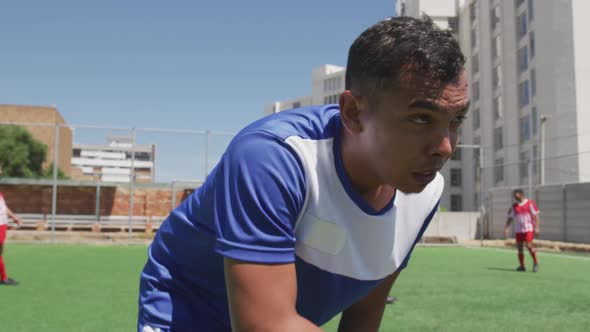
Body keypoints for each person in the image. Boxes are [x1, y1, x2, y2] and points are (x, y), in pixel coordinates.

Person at [138, 16, 468, 332]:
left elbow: (368, 300)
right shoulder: (272, 158)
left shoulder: (425, 190)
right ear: (353, 113)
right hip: (187, 311)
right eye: (422, 119)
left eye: (456, 122)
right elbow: (264, 325)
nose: (445, 147)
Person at [504, 189, 540, 272]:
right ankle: (522, 266)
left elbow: (536, 216)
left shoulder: (530, 203)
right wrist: (506, 227)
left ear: (520, 194)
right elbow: (510, 218)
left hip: (529, 228)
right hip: (519, 230)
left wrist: (537, 227)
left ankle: (535, 262)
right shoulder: (514, 206)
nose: (514, 196)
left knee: (529, 245)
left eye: (515, 194)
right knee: (520, 248)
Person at [0, 191, 22, 285]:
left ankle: (4, 277)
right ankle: (4, 278)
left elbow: (3, 208)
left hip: (2, 225)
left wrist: (14, 217)